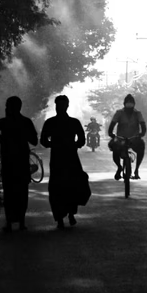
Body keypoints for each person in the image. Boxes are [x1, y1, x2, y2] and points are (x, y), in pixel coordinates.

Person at [0, 96, 38, 232]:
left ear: (10, 107)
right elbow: (34, 141)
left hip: (9, 162)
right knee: (22, 193)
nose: (6, 108)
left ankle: (9, 223)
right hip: (22, 162)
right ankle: (21, 222)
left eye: (8, 106)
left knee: (10, 194)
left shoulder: (4, 122)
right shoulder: (26, 122)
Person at [40, 95, 87, 229]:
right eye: (59, 106)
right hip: (68, 159)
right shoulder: (73, 122)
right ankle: (68, 215)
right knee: (68, 186)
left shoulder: (51, 123)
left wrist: (54, 145)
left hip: (60, 159)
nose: (60, 108)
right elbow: (81, 140)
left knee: (59, 188)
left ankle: (62, 217)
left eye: (61, 105)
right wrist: (72, 145)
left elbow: (44, 141)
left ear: (66, 106)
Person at [108, 94, 147, 180]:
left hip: (134, 138)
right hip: (121, 138)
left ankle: (136, 170)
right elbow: (112, 124)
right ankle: (119, 167)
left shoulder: (138, 113)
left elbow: (143, 124)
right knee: (114, 148)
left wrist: (142, 133)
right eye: (128, 103)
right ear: (124, 104)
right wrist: (110, 133)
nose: (129, 104)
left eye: (131, 103)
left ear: (134, 104)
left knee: (141, 146)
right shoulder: (119, 113)